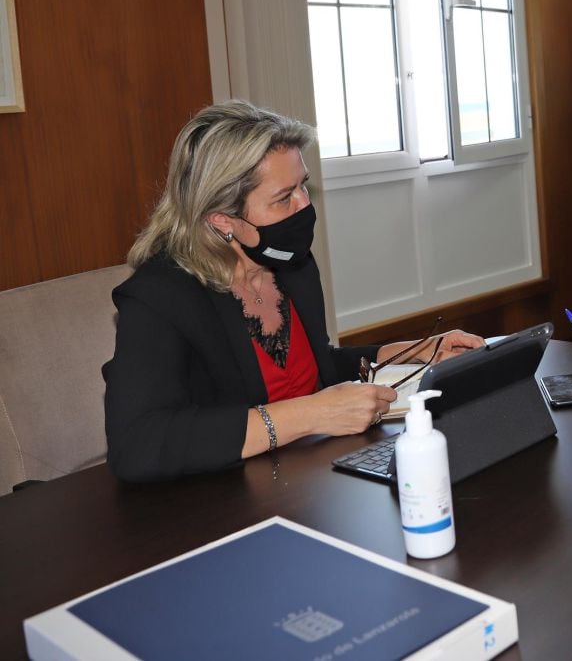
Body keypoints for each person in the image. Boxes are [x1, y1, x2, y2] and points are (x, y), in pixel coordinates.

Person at [104, 100, 484, 482]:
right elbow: (138, 444)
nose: (304, 205)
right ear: (222, 220)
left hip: (309, 475)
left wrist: (418, 351)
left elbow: (312, 368)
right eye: (284, 198)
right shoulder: (159, 298)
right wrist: (312, 414)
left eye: (303, 185)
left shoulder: (290, 262)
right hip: (225, 500)